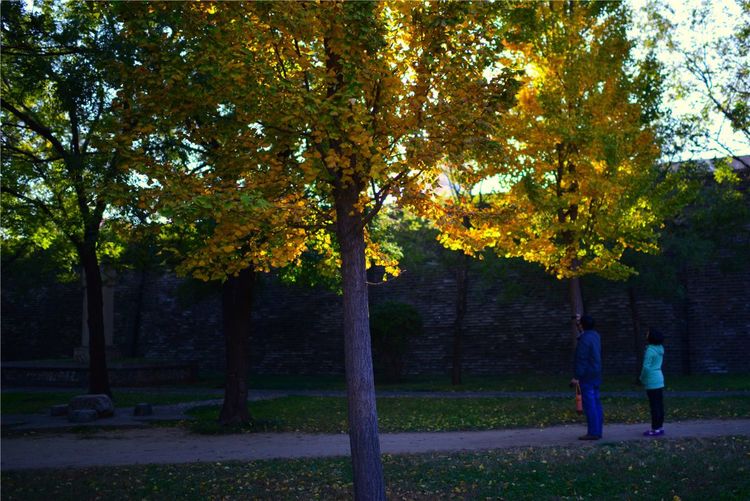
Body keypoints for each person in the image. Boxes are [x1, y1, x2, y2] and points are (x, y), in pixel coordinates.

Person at [570, 314, 603, 440]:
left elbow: (582, 359)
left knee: (590, 404)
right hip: (596, 372)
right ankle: (597, 430)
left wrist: (576, 376)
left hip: (587, 375)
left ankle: (593, 432)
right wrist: (580, 320)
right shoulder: (595, 336)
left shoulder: (584, 339)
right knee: (596, 402)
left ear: (582, 325)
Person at [639, 327, 665, 436]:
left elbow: (646, 367)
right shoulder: (660, 348)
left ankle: (655, 429)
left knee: (654, 405)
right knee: (659, 404)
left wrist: (642, 378)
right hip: (659, 377)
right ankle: (660, 426)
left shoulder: (650, 350)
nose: (646, 334)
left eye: (648, 333)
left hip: (652, 379)